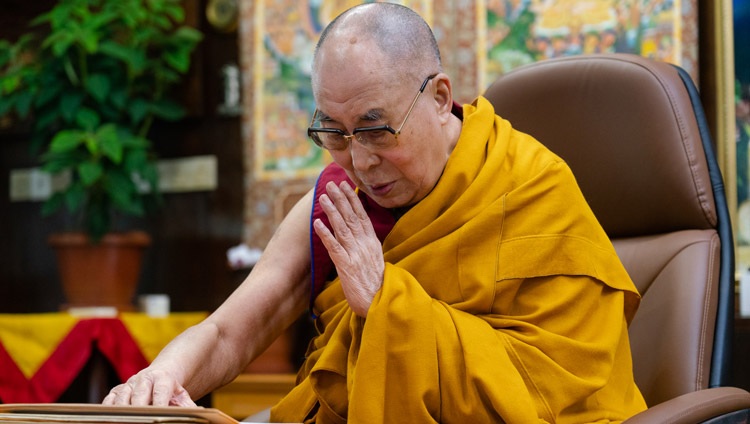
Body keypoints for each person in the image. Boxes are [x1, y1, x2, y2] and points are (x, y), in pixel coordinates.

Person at [104, 3, 647, 422]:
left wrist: (388, 302)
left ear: (438, 98)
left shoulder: (531, 185)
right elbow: (230, 331)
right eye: (334, 134)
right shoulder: (337, 202)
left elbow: (558, 387)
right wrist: (158, 378)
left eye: (375, 128)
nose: (360, 161)